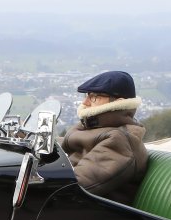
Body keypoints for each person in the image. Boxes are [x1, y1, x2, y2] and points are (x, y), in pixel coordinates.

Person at [62, 70, 149, 204]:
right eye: (87, 95)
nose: (85, 102)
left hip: (91, 212)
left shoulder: (119, 140)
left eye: (94, 97)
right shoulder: (93, 126)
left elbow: (75, 185)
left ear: (118, 102)